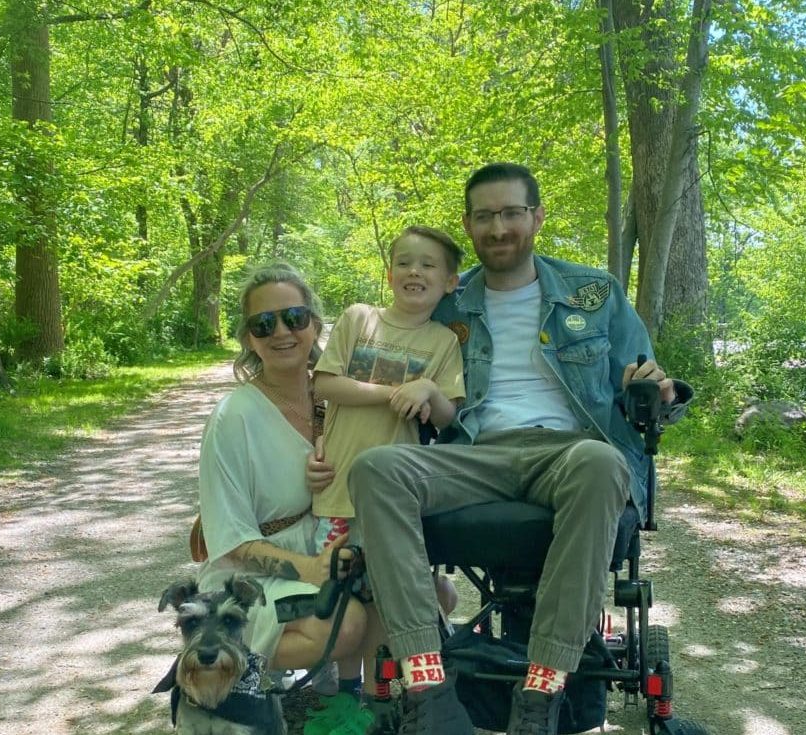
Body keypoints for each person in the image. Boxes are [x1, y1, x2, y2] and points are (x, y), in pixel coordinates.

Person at [311, 163, 690, 735]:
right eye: (484, 216)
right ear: (468, 225)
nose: (498, 227)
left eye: (512, 213)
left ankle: (543, 689)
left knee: (601, 461)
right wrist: (315, 439)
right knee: (377, 469)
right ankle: (428, 685)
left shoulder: (594, 294)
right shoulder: (446, 301)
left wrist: (659, 390)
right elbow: (363, 361)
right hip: (473, 453)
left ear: (537, 217)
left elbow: (646, 381)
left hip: (571, 453)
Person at [196, 262, 367, 698]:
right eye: (263, 323)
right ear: (248, 338)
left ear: (314, 325)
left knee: (438, 595)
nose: (281, 332)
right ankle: (228, 656)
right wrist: (310, 569)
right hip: (250, 576)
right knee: (347, 624)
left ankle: (352, 688)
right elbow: (230, 542)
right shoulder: (233, 417)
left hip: (332, 548)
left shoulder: (338, 396)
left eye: (294, 317)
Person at [311, 225, 466, 553]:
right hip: (338, 492)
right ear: (390, 275)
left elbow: (447, 417)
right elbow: (324, 384)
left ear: (450, 282)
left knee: (394, 578)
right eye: (404, 263)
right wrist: (396, 393)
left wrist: (428, 389)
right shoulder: (358, 319)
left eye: (428, 265)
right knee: (334, 579)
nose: (414, 271)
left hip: (398, 496)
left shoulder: (445, 341)